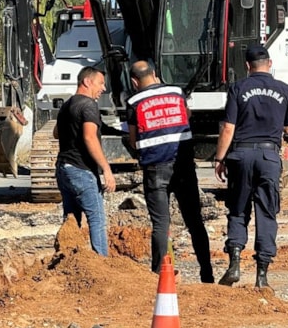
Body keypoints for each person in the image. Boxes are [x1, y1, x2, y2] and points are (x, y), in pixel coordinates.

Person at [214, 44, 288, 290]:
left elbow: (228, 127)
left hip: (241, 155)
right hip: (269, 157)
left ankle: (235, 263)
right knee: (267, 213)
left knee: (238, 210)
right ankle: (262, 274)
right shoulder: (284, 90)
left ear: (247, 66)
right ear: (269, 64)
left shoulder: (238, 87)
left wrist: (219, 158)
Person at [126, 60, 214, 282]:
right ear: (155, 74)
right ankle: (207, 273)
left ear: (134, 81)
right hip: (183, 165)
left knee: (160, 224)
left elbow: (134, 140)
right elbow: (188, 115)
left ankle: (159, 275)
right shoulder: (177, 92)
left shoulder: (134, 101)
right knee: (194, 221)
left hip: (155, 167)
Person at [54, 66, 117, 256]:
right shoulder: (88, 105)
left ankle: (67, 260)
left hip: (63, 169)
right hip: (81, 170)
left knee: (71, 220)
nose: (103, 88)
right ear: (87, 82)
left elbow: (56, 133)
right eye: (100, 83)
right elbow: (90, 137)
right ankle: (101, 266)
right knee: (96, 219)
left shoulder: (67, 105)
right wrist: (106, 169)